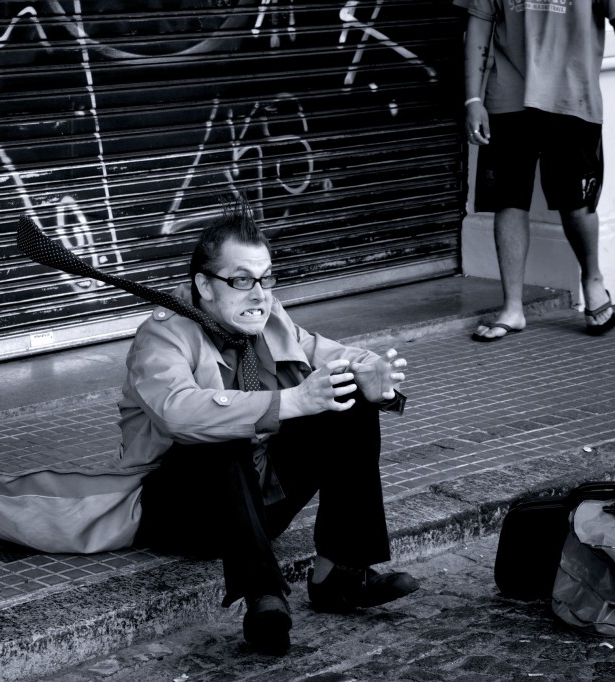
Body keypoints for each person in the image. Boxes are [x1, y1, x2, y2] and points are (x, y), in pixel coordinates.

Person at [116, 199, 418, 655]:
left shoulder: (271, 317)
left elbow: (331, 354)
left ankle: (338, 574)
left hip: (259, 501)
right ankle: (263, 596)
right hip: (186, 510)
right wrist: (290, 400)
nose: (259, 294)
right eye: (241, 280)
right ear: (205, 284)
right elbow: (178, 411)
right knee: (222, 429)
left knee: (348, 400)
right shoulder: (162, 335)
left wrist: (374, 379)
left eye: (265, 278)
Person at [455, 0, 615, 341]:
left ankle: (592, 280)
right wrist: (473, 99)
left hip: (573, 97)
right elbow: (478, 26)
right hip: (508, 96)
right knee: (508, 200)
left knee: (577, 205)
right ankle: (512, 307)